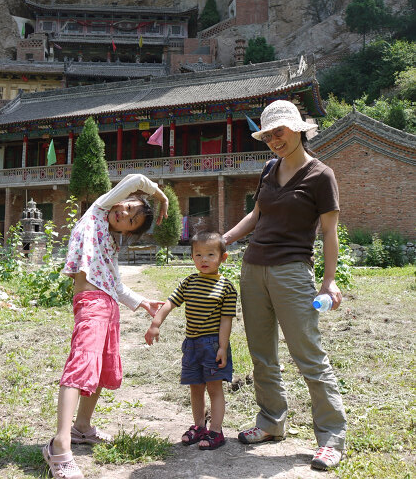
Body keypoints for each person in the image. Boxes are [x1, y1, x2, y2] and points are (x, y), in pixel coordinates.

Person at [223, 100, 347, 471]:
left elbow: (329, 232)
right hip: (253, 269)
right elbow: (257, 214)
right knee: (261, 354)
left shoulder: (321, 175)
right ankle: (271, 422)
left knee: (308, 355)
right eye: (269, 134)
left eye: (280, 131)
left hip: (293, 272)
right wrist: (224, 239)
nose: (275, 139)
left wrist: (328, 282)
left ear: (298, 129)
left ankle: (331, 437)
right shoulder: (268, 169)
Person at [43, 174, 169, 479]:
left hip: (109, 306)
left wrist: (143, 303)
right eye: (127, 206)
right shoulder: (97, 213)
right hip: (90, 304)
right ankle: (59, 444)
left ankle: (82, 428)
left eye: (132, 219)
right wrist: (160, 196)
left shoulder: (110, 244)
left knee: (100, 370)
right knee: (81, 366)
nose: (124, 212)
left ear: (128, 231)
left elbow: (117, 286)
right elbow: (135, 179)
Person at [145, 231, 237, 451]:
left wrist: (223, 347)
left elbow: (226, 321)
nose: (203, 260)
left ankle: (216, 430)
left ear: (223, 258)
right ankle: (199, 426)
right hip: (192, 344)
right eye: (198, 255)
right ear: (192, 256)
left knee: (214, 389)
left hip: (212, 344)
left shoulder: (226, 288)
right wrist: (155, 323)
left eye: (210, 255)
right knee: (195, 388)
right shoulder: (189, 282)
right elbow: (169, 303)